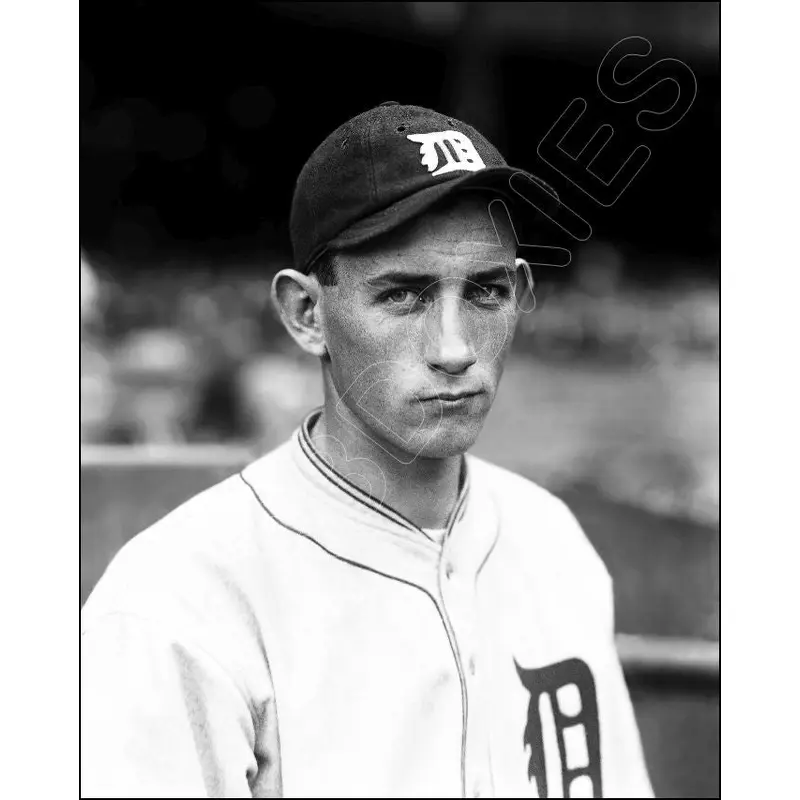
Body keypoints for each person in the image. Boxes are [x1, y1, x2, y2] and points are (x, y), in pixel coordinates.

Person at [81, 102, 653, 798]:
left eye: (487, 291)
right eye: (403, 295)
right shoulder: (180, 601)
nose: (453, 348)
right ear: (307, 314)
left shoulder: (553, 543)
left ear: (523, 293)